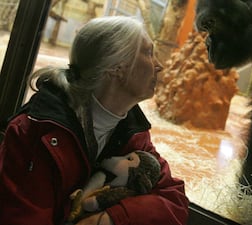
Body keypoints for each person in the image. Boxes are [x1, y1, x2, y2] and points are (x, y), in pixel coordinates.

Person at [0, 16, 189, 225]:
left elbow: (175, 199)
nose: (159, 65)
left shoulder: (133, 130)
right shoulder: (34, 132)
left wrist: (109, 219)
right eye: (148, 52)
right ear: (116, 67)